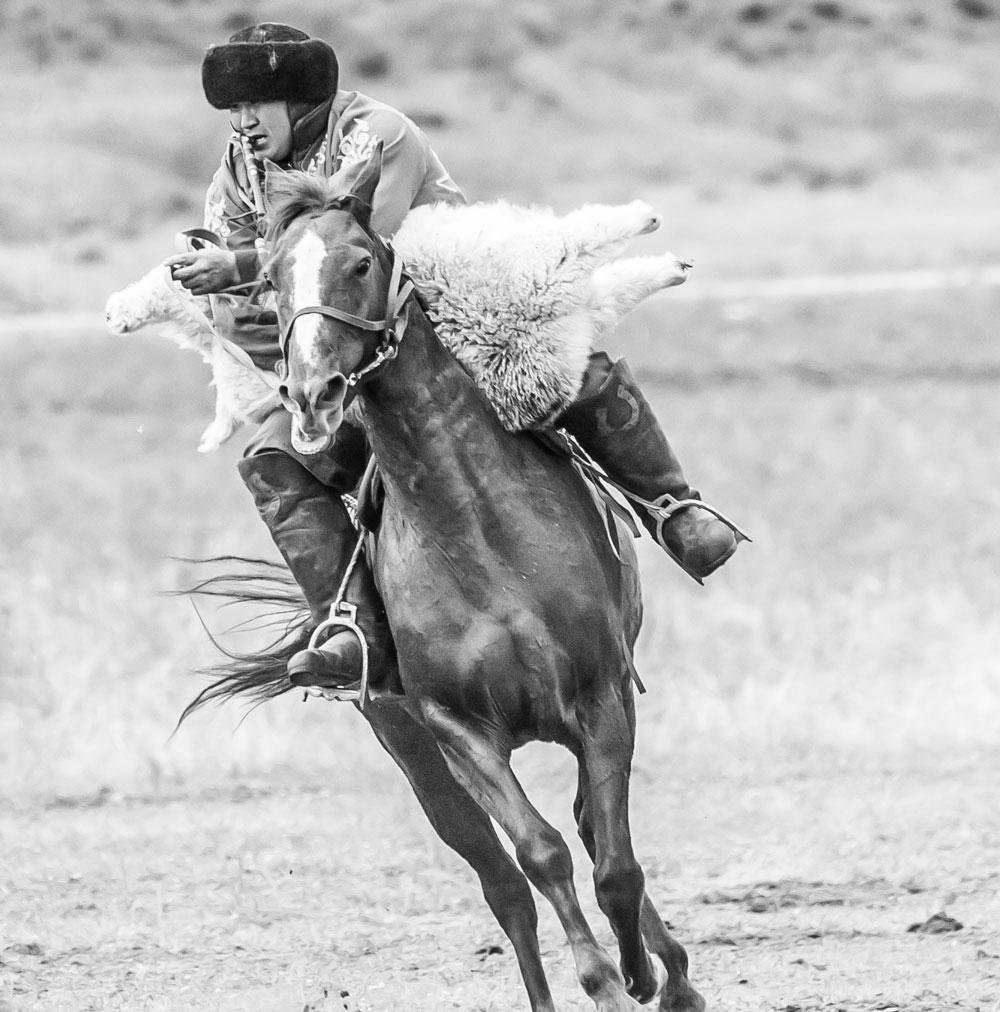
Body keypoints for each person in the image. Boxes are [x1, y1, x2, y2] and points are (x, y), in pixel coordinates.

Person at [166, 22, 742, 690]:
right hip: (341, 355)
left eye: (251, 108)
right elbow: (238, 306)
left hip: (455, 314)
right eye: (232, 112)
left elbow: (362, 248)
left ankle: (674, 511)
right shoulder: (238, 173)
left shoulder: (377, 136)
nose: (241, 125)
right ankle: (351, 626)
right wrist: (305, 358)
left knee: (572, 374)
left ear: (299, 101)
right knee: (270, 460)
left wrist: (239, 265)